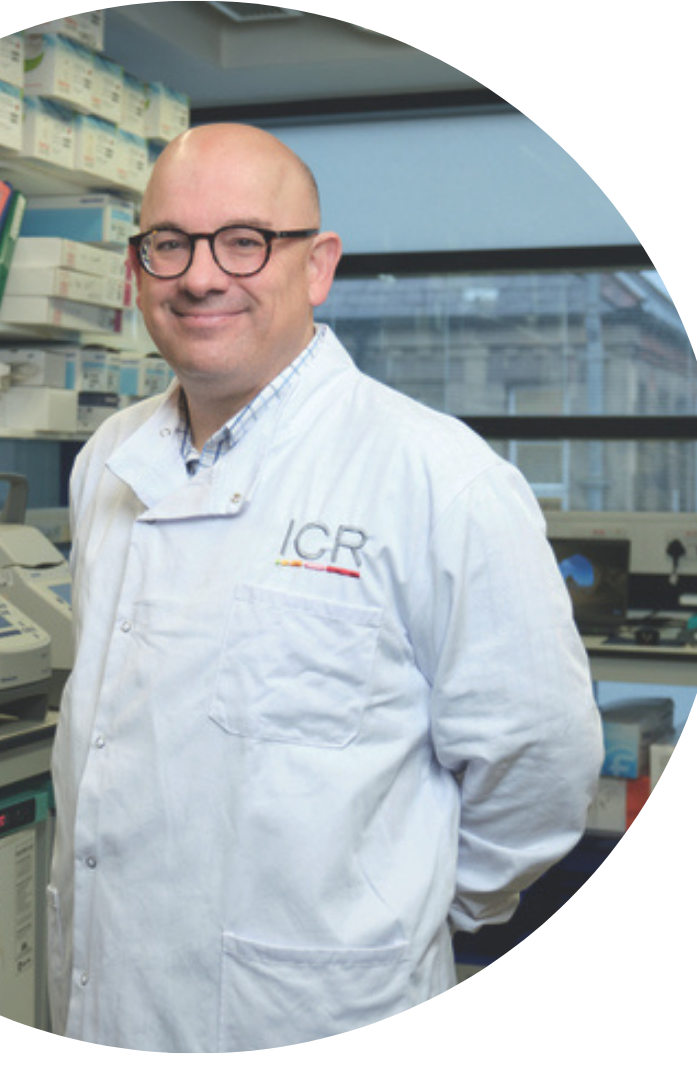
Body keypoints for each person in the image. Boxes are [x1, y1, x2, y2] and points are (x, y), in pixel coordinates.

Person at [47, 122, 604, 1053]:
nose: (200, 276)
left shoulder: (436, 476)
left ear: (318, 266)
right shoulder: (109, 458)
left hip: (325, 1009)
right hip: (109, 996)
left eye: (245, 241)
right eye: (169, 244)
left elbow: (540, 761)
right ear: (137, 268)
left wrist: (410, 910)